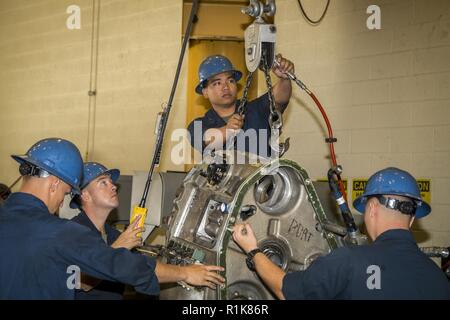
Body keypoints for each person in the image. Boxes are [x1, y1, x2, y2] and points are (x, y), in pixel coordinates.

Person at [0, 138, 225, 299]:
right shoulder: (60, 232)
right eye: (67, 192)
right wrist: (186, 273)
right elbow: (123, 267)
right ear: (55, 184)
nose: (62, 202)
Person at [233, 167, 450, 299]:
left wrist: (253, 251)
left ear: (372, 208)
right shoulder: (438, 279)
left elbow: (287, 292)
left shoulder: (350, 261)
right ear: (412, 218)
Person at [187, 54, 294, 159]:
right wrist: (228, 130)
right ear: (205, 92)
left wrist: (285, 79)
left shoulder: (256, 110)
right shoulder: (198, 125)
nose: (226, 87)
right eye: (217, 83)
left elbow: (279, 99)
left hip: (262, 176)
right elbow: (207, 138)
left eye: (230, 81)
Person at [69, 162, 143, 299]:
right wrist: (116, 249)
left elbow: (142, 272)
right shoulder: (72, 232)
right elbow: (79, 282)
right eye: (103, 182)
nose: (114, 186)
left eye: (111, 182)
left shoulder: (115, 236)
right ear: (85, 195)